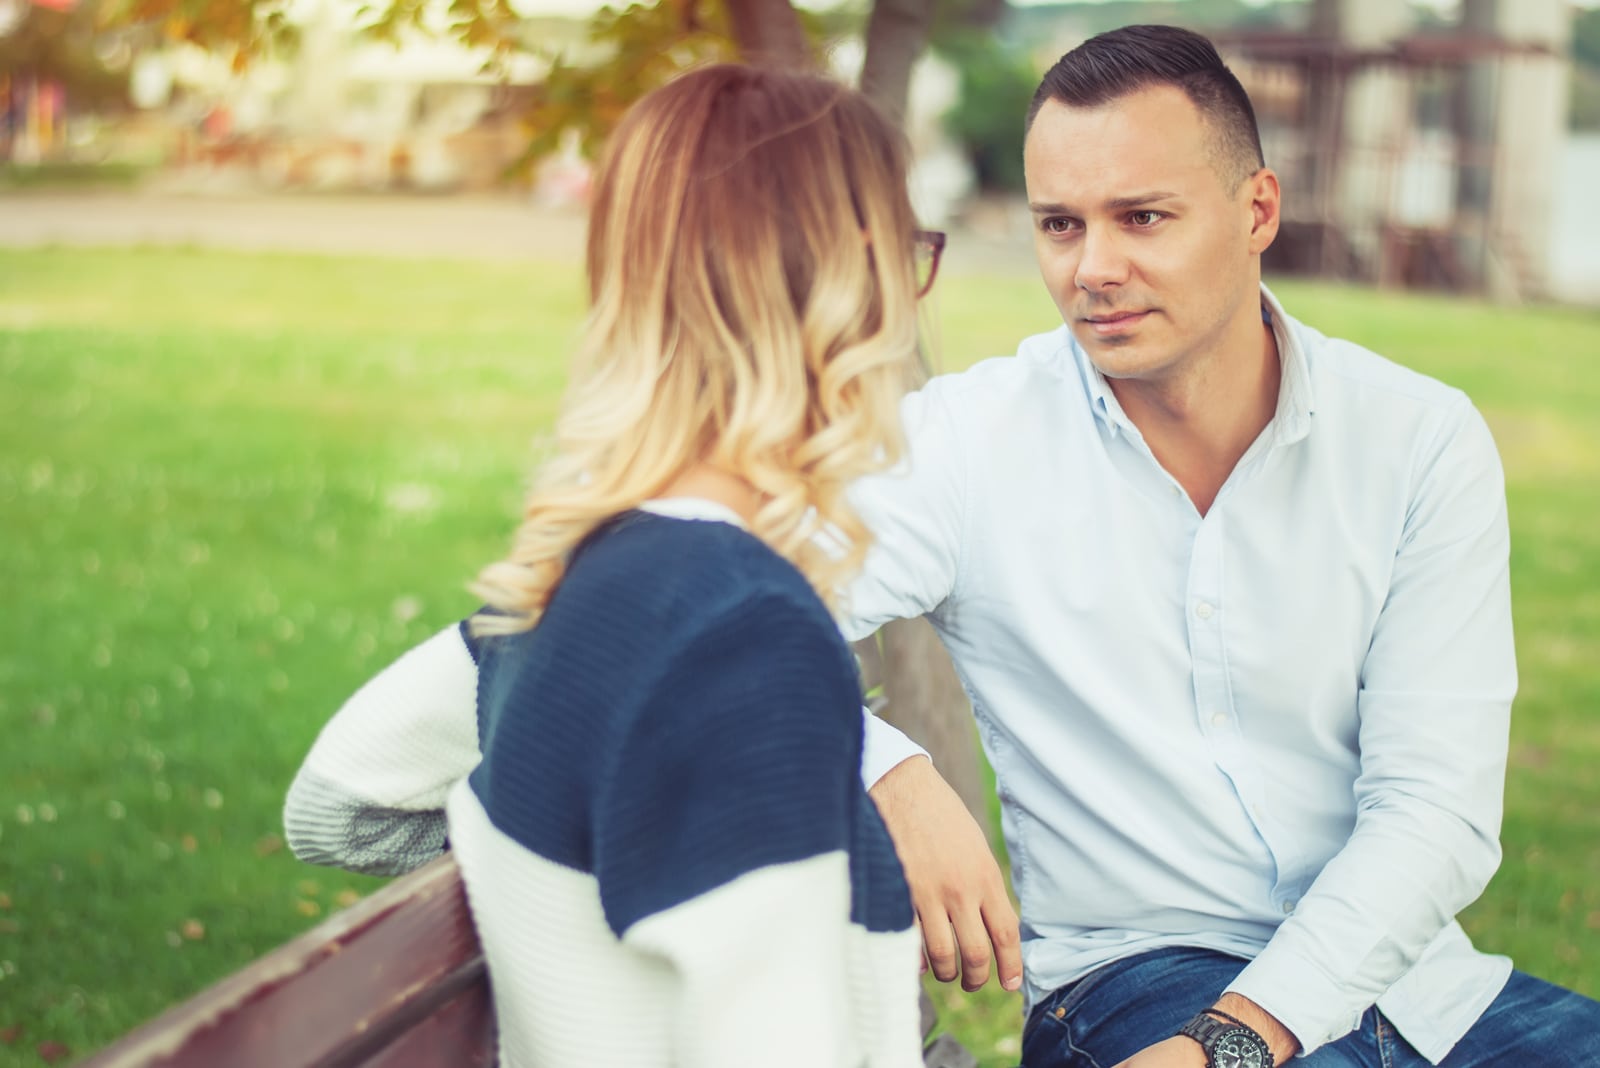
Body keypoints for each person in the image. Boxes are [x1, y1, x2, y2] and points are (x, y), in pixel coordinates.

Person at [290, 24, 1600, 1068]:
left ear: (1257, 210)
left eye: (1142, 219)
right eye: (1056, 225)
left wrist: (1248, 1037)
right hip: (1133, 980)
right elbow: (739, 609)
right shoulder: (967, 443)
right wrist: (887, 761)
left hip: (1409, 981)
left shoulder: (1419, 441)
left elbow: (1435, 815)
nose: (1092, 269)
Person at [284, 63, 940, 1068]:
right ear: (856, 274)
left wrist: (575, 894)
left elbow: (336, 804)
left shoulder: (562, 590)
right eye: (913, 255)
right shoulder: (745, 635)